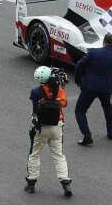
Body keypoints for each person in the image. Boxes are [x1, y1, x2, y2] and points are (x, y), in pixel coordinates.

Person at [25, 66, 72, 196]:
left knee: (34, 155)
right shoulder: (59, 90)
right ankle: (66, 184)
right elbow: (64, 104)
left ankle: (31, 184)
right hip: (57, 127)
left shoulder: (36, 92)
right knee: (59, 156)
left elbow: (34, 104)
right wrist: (62, 86)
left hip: (41, 128)